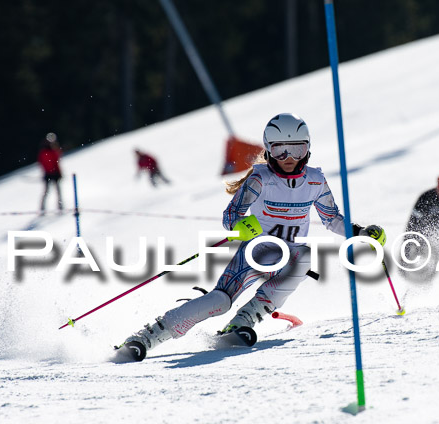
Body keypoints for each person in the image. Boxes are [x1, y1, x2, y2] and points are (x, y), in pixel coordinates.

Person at [121, 113, 385, 361]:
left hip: (290, 255)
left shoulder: (315, 180)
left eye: (297, 149)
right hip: (258, 250)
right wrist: (241, 226)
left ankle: (244, 320)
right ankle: (148, 337)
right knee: (220, 301)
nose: (289, 157)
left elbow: (331, 219)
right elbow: (230, 216)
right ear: (269, 150)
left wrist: (361, 233)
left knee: (304, 256)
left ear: (308, 149)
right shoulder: (261, 178)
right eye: (281, 149)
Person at [38, 132, 63, 212]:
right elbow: (43, 163)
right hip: (50, 174)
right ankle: (43, 208)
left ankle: (59, 206)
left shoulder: (53, 151)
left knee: (56, 191)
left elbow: (56, 162)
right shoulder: (45, 152)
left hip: (53, 174)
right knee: (48, 191)